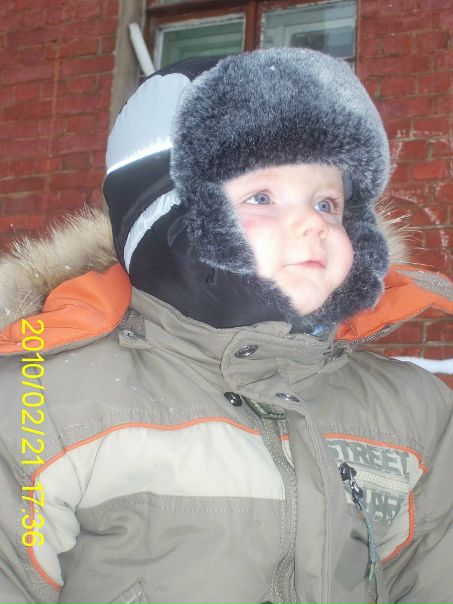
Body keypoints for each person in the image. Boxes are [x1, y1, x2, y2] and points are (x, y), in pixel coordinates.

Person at [0, 48, 452, 604]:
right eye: (263, 196)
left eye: (327, 203)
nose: (312, 224)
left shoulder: (414, 414)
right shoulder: (46, 401)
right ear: (169, 215)